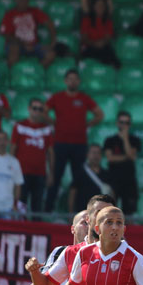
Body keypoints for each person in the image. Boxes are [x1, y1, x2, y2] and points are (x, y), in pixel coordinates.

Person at [44, 69, 104, 212]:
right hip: (60, 143)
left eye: (75, 79)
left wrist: (88, 124)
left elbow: (99, 114)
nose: (72, 81)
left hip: (79, 145)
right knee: (56, 178)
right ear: (65, 81)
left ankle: (79, 212)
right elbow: (43, 111)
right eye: (70, 79)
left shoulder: (84, 98)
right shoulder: (57, 97)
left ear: (79, 82)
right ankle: (47, 211)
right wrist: (53, 123)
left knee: (79, 179)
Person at [10, 98, 54, 213]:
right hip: (21, 173)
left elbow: (50, 152)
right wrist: (11, 169)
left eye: (40, 109)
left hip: (40, 174)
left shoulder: (46, 129)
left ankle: (37, 231)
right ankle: (20, 230)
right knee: (20, 205)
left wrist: (51, 173)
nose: (37, 111)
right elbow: (13, 149)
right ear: (29, 109)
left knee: (37, 207)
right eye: (35, 108)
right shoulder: (19, 126)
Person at [0, 0, 56, 68]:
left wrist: (52, 42)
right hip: (17, 45)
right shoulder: (10, 14)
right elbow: (7, 35)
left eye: (26, 0)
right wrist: (23, 43)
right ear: (16, 0)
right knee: (14, 49)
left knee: (51, 54)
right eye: (22, 0)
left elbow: (50, 24)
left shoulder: (34, 11)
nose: (24, 2)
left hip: (34, 45)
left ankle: (36, 72)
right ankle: (14, 75)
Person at [103, 111, 141, 215]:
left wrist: (125, 139)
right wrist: (126, 157)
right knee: (111, 211)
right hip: (114, 180)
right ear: (117, 123)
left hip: (129, 181)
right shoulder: (110, 140)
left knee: (129, 213)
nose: (124, 125)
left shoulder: (134, 140)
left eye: (127, 123)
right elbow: (110, 158)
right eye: (122, 122)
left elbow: (132, 156)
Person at [68, 144, 111, 213]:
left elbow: (111, 195)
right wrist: (71, 212)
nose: (96, 156)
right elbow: (72, 192)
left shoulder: (107, 174)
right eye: (93, 153)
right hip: (83, 213)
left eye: (98, 153)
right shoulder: (80, 172)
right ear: (87, 155)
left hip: (101, 215)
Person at [80, 0, 120, 68]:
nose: (100, 7)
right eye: (98, 5)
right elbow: (84, 38)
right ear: (93, 7)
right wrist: (94, 43)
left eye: (102, 5)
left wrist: (101, 43)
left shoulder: (108, 21)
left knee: (109, 53)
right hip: (90, 46)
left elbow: (108, 37)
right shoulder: (86, 20)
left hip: (103, 47)